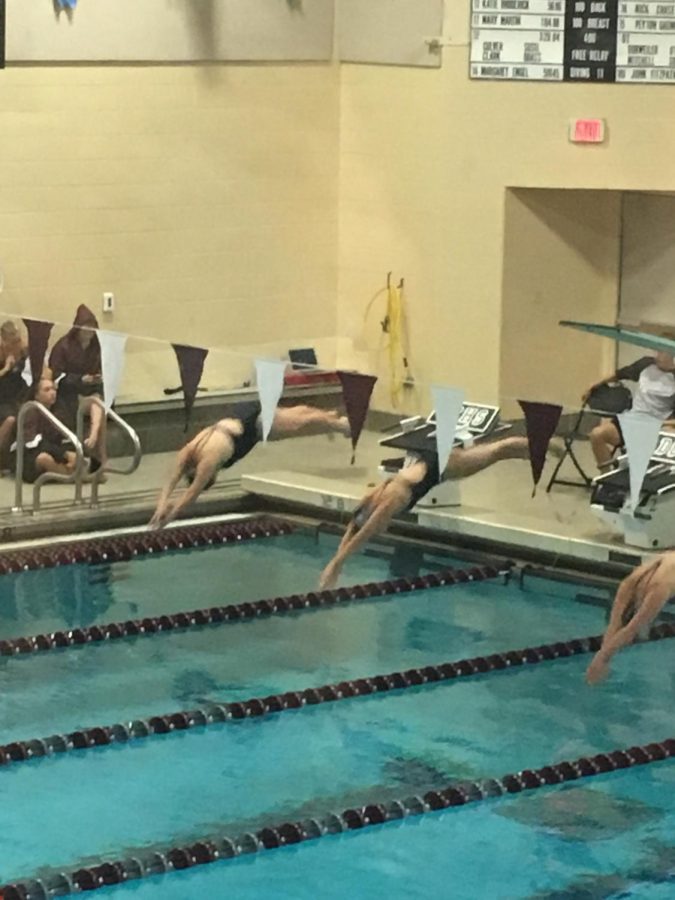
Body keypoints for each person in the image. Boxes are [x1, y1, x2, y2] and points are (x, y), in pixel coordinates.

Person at [318, 436, 530, 589]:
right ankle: (531, 450)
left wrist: (337, 564)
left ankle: (539, 444)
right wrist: (335, 561)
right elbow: (354, 526)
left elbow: (364, 532)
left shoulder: (390, 503)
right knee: (496, 453)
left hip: (441, 464)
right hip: (431, 461)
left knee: (496, 452)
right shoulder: (374, 499)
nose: (382, 531)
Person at [149, 402, 350, 529]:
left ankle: (340, 424)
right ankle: (331, 417)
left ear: (212, 477)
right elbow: (171, 480)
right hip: (241, 413)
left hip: (253, 424)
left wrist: (168, 517)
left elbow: (190, 495)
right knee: (299, 413)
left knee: (301, 420)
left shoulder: (208, 465)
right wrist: (161, 504)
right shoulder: (188, 451)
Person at [586, 551, 675, 684]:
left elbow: (627, 630)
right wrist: (602, 659)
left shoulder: (650, 587)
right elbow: (617, 628)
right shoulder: (632, 585)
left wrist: (601, 659)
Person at [584, 351, 675, 469]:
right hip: (633, 419)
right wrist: (594, 385)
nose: (658, 355)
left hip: (659, 424)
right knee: (597, 435)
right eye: (658, 351)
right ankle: (607, 479)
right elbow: (618, 374)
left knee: (669, 438)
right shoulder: (645, 364)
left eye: (663, 353)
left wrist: (660, 424)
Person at [48, 304, 107, 465]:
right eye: (85, 328)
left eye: (92, 328)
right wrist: (79, 379)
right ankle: (94, 447)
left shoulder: (97, 347)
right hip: (68, 394)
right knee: (96, 404)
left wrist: (97, 378)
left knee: (98, 404)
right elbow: (56, 375)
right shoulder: (63, 346)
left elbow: (103, 367)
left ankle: (96, 442)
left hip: (90, 391)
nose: (89, 332)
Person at [11, 377, 93, 484]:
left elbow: (67, 435)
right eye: (47, 390)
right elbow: (34, 442)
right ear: (36, 395)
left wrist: (75, 453)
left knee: (80, 454)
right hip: (27, 455)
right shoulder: (29, 411)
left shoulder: (59, 411)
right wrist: (65, 454)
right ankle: (74, 477)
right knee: (44, 458)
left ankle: (74, 472)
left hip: (54, 449)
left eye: (54, 389)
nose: (52, 393)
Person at [0, 321, 28, 465]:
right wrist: (5, 368)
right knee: (11, 419)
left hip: (18, 392)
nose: (16, 344)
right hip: (2, 396)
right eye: (12, 341)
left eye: (18, 340)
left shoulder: (23, 352)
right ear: (4, 341)